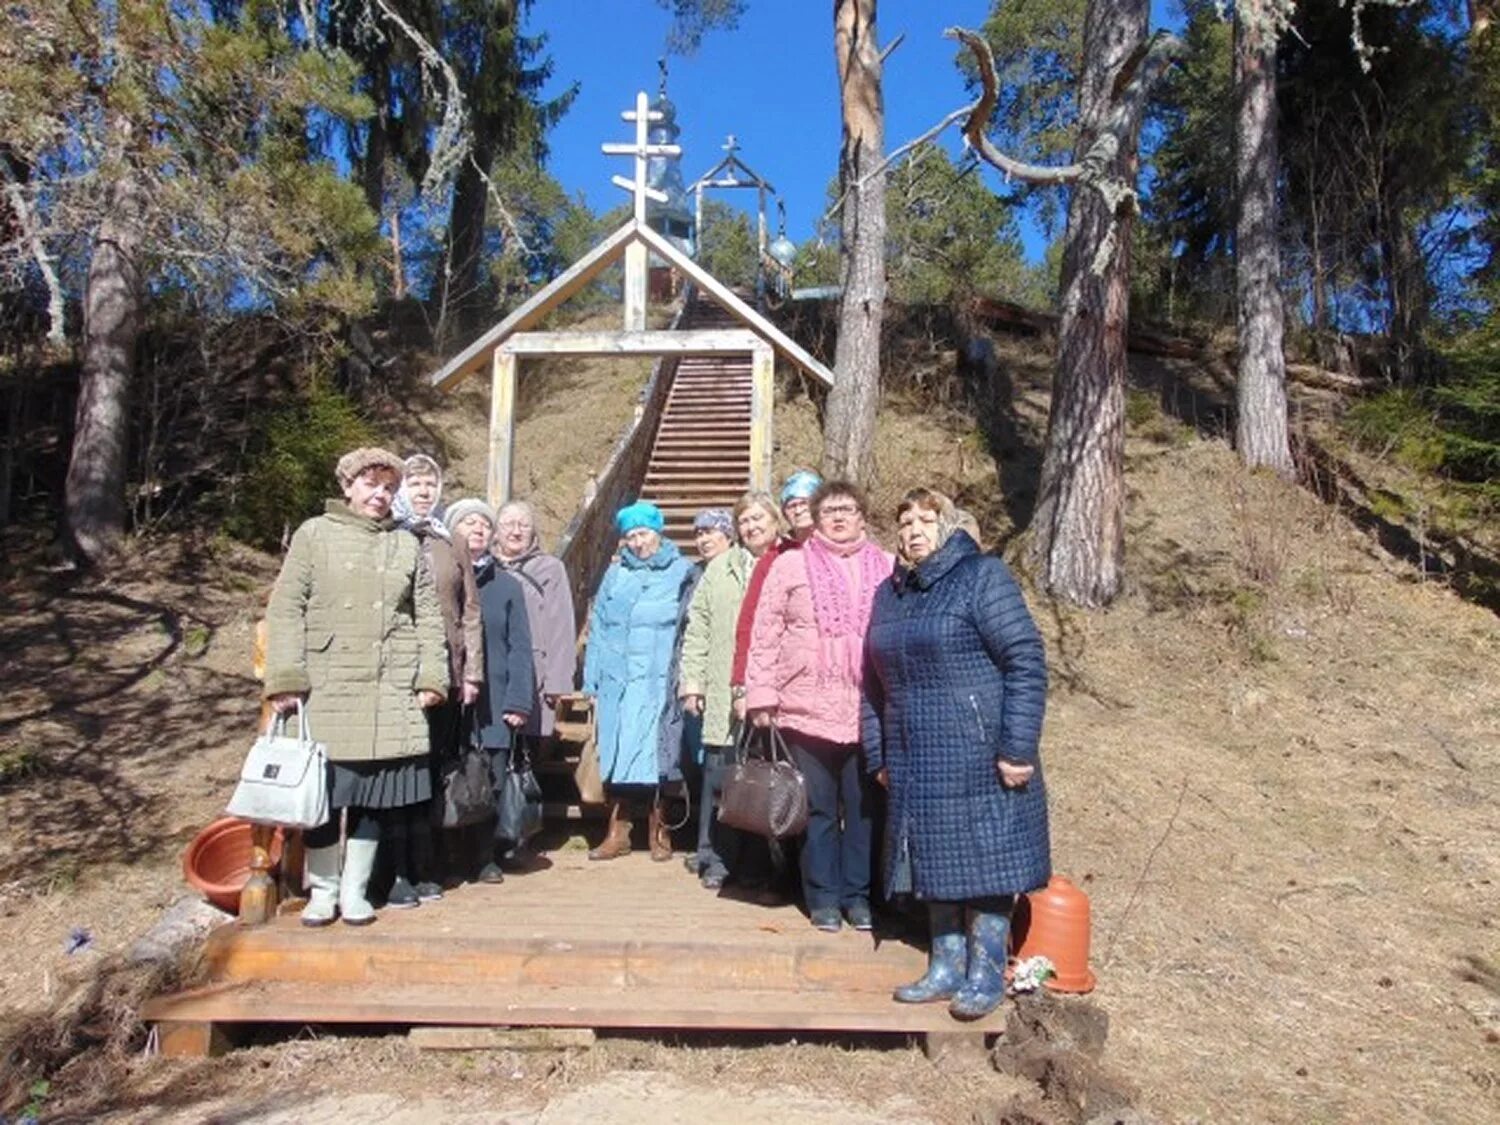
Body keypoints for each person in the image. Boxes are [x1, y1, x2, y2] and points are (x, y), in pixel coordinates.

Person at [863, 488, 1049, 1020]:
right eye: (905, 521)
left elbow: (1026, 661)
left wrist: (1017, 747)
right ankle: (944, 967)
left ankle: (985, 973)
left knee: (986, 864)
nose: (913, 530)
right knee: (932, 862)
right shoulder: (889, 594)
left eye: (926, 519)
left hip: (980, 753)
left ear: (949, 526)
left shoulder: (981, 577)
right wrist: (879, 753)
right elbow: (871, 684)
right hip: (915, 757)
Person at [263, 447, 448, 927]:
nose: (380, 495)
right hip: (328, 685)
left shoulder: (406, 545)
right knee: (326, 797)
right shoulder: (314, 535)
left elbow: (427, 615)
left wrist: (432, 675)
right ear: (348, 486)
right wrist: (285, 677)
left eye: (389, 488)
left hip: (388, 687)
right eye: (371, 485)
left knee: (373, 799)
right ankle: (322, 891)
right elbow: (286, 608)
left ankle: (355, 890)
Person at [744, 481, 893, 933]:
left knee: (864, 808)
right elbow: (765, 632)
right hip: (804, 707)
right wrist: (761, 695)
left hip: (866, 708)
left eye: (848, 509)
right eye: (829, 510)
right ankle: (823, 896)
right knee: (818, 810)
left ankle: (858, 896)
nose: (839, 517)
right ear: (814, 518)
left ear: (863, 516)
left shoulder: (886, 566)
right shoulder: (790, 565)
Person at [383, 454, 484, 906]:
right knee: (393, 775)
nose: (423, 491)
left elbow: (470, 612)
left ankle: (427, 868)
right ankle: (389, 870)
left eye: (430, 483)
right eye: (415, 482)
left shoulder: (451, 540)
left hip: (446, 673)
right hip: (393, 676)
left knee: (430, 772)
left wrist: (472, 673)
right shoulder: (386, 534)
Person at [581, 501, 697, 861]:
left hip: (658, 682)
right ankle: (618, 831)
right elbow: (598, 628)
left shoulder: (683, 572)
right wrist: (592, 683)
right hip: (618, 681)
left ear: (658, 532)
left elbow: (691, 630)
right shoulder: (615, 575)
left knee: (656, 755)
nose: (636, 542)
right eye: (630, 536)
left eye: (642, 533)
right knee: (616, 753)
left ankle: (659, 829)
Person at [679, 492, 781, 889]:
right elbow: (698, 627)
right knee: (720, 775)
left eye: (759, 518)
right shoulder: (720, 568)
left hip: (773, 692)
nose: (752, 527)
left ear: (775, 521)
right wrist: (693, 681)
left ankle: (762, 865)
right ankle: (718, 857)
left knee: (765, 777)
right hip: (723, 687)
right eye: (745, 521)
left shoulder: (788, 563)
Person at [444, 497, 534, 883]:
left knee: (491, 778)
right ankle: (447, 855)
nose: (478, 530)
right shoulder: (441, 578)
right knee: (448, 775)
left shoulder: (508, 585)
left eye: (484, 524)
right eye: (469, 524)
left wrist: (519, 699)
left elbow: (520, 646)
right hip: (448, 696)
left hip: (495, 698)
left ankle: (485, 856)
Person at [728, 470, 821, 722]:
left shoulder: (845, 551)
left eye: (805, 502)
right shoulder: (775, 559)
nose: (799, 509)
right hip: (789, 680)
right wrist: (742, 684)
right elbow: (752, 623)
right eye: (792, 504)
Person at [493, 500, 577, 743]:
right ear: (496, 529)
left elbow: (561, 627)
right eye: (509, 524)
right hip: (493, 670)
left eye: (524, 525)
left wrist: (558, 682)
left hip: (533, 672)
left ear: (533, 531)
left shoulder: (550, 569)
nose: (516, 531)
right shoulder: (483, 565)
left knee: (524, 751)